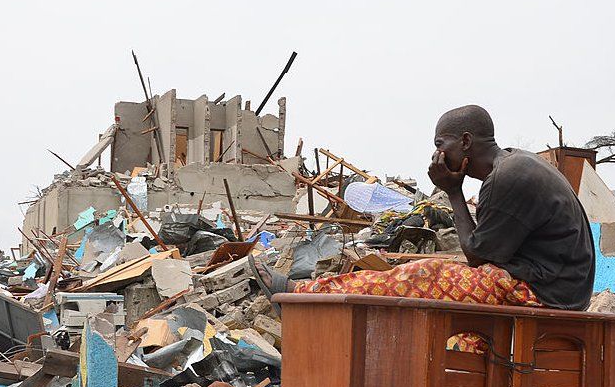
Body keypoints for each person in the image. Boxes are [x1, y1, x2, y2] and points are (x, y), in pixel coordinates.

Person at [252, 105, 595, 311]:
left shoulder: (509, 177)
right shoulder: (514, 166)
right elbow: (487, 252)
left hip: (545, 294)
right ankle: (313, 295)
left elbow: (477, 255)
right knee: (436, 277)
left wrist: (453, 191)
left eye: (439, 144)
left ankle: (301, 294)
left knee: (423, 274)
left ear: (464, 142)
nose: (436, 154)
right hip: (556, 286)